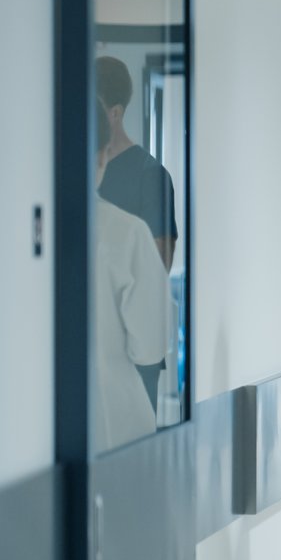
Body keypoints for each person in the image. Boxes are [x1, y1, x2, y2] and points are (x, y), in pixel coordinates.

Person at [90, 97, 171, 560]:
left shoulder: (7, 233)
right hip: (113, 435)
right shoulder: (122, 232)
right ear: (101, 154)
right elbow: (149, 343)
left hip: (23, 460)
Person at [97, 55, 180, 414]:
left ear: (115, 112)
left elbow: (156, 272)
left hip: (133, 353)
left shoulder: (150, 176)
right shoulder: (71, 175)